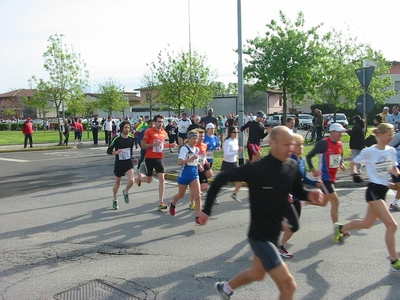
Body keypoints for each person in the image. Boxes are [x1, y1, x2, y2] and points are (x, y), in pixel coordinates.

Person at [197, 126, 323, 299]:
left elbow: (297, 191)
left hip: (273, 234)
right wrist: (206, 211)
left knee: (257, 274)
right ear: (272, 143)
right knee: (289, 286)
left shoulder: (291, 166)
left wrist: (310, 193)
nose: (290, 149)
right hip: (260, 236)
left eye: (291, 145)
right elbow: (220, 178)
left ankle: (225, 288)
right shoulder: (257, 169)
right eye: (286, 145)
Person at [335, 123, 400, 272]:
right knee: (392, 225)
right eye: (389, 134)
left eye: (392, 134)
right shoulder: (370, 151)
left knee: (366, 224)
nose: (392, 137)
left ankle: (341, 228)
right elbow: (354, 162)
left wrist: (398, 175)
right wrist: (355, 174)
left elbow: (393, 168)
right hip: (373, 191)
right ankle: (394, 260)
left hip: (382, 191)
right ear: (380, 135)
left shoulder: (391, 151)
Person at [279, 134, 320, 258]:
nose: (301, 147)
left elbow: (303, 179)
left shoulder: (301, 161)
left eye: (302, 144)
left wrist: (315, 183)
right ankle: (280, 246)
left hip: (296, 197)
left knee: (292, 224)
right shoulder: (288, 161)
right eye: (298, 144)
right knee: (291, 225)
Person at [306, 123, 347, 230]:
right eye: (338, 132)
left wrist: (341, 164)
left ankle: (303, 201)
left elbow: (340, 156)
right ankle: (338, 230)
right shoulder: (323, 144)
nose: (340, 134)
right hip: (324, 178)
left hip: (332, 178)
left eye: (341, 132)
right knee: (336, 201)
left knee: (323, 203)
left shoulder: (339, 144)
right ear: (332, 132)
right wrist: (313, 169)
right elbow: (309, 156)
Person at [137, 114, 173, 210]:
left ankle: (161, 202)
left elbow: (161, 145)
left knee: (162, 179)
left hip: (159, 158)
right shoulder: (149, 132)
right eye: (159, 122)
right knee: (149, 180)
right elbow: (143, 145)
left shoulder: (164, 133)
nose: (160, 123)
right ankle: (141, 179)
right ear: (154, 122)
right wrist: (153, 144)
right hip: (149, 158)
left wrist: (170, 145)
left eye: (162, 121)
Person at [169, 130, 204, 225]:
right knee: (181, 195)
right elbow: (179, 162)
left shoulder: (196, 149)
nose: (195, 140)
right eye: (193, 138)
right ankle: (173, 204)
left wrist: (199, 165)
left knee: (198, 196)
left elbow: (195, 161)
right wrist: (191, 159)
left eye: (196, 138)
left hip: (194, 174)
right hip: (185, 174)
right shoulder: (184, 149)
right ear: (188, 139)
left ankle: (198, 216)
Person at [106, 121, 138, 210]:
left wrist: (133, 158)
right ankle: (115, 199)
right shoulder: (116, 138)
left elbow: (130, 151)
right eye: (125, 128)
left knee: (132, 180)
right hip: (119, 164)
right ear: (121, 129)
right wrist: (116, 152)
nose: (127, 129)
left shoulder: (131, 138)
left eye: (128, 128)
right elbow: (108, 151)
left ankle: (126, 191)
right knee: (117, 185)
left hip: (128, 163)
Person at [221, 126, 243, 203]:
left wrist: (237, 154)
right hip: (227, 164)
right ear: (230, 133)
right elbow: (226, 154)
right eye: (234, 132)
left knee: (240, 179)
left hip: (234, 163)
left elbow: (234, 153)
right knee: (221, 182)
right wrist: (237, 152)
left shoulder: (235, 141)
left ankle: (234, 194)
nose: (236, 134)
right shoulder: (227, 142)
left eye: (237, 132)